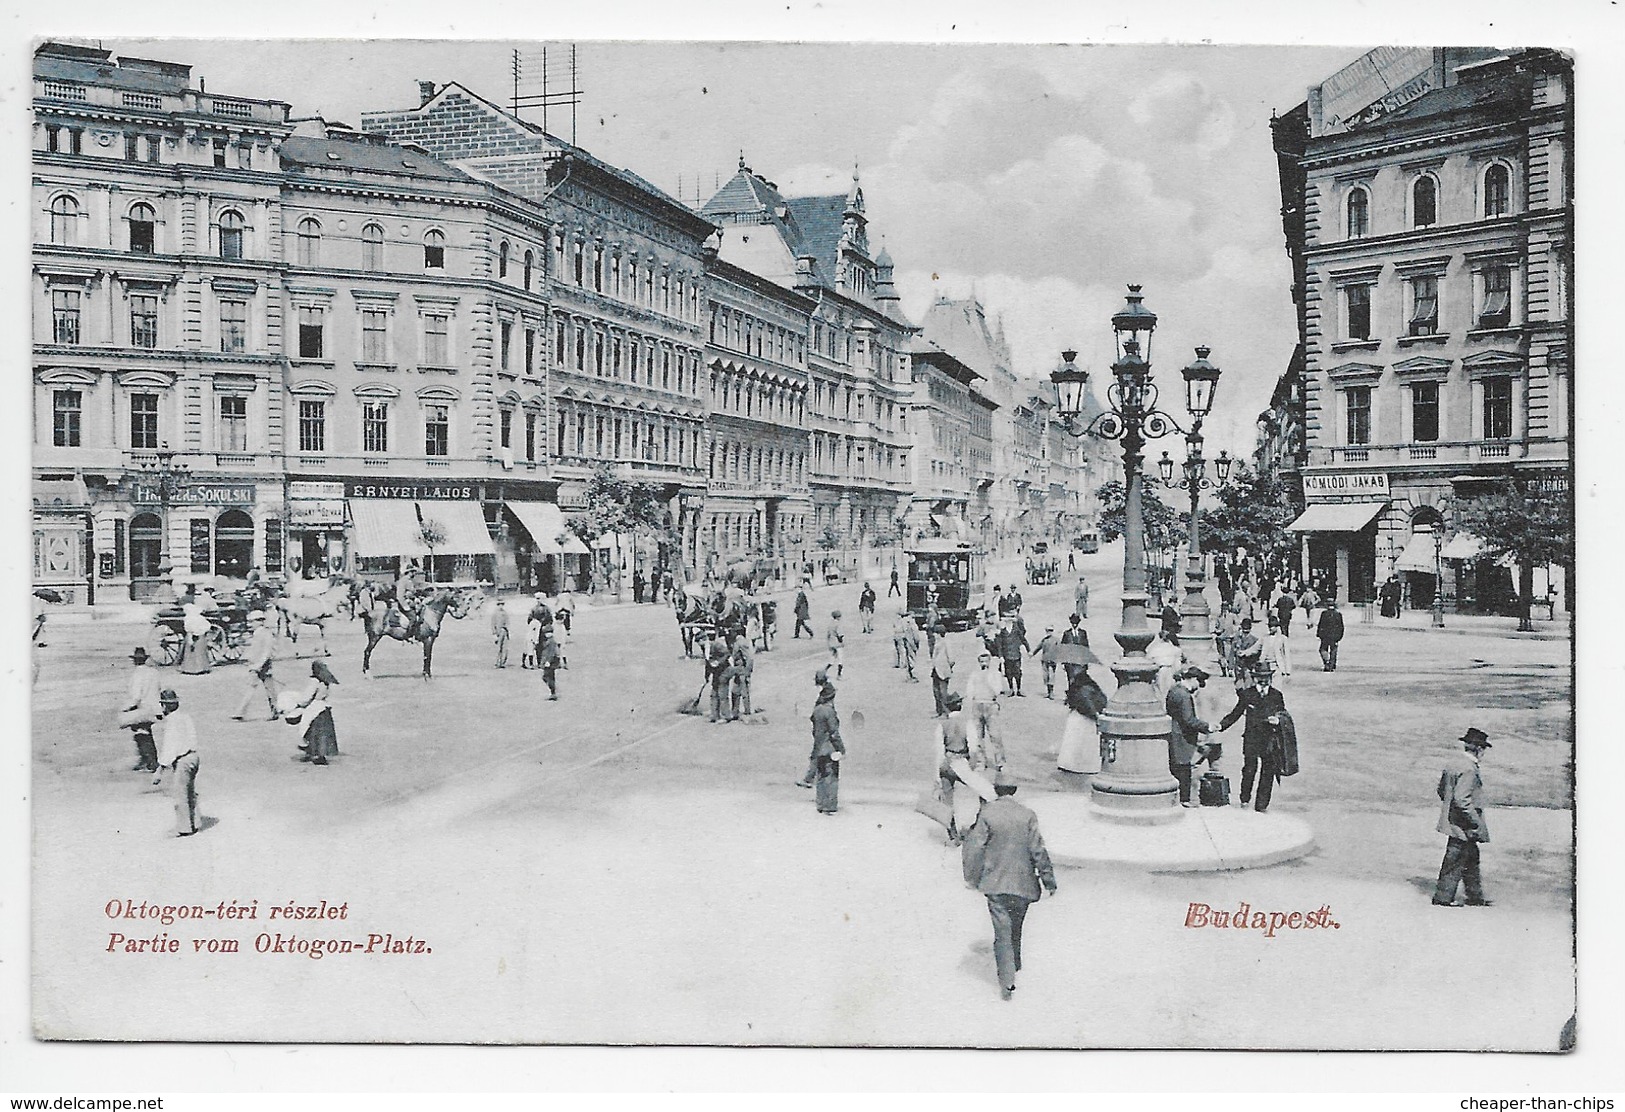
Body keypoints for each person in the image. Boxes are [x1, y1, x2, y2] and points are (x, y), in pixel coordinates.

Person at [961, 769, 1058, 1000]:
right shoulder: (1027, 815)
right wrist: (1049, 881)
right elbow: (1038, 851)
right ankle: (1015, 964)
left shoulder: (987, 814)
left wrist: (972, 878)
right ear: (1014, 791)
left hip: (995, 884)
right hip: (1024, 884)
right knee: (1017, 924)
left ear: (996, 790)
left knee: (1001, 932)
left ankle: (1007, 982)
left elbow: (974, 849)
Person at [1218, 665, 1296, 813]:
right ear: (1254, 679)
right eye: (1260, 678)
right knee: (1249, 770)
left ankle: (1261, 805)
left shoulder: (1276, 695)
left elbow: (1283, 714)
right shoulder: (1247, 695)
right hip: (1251, 739)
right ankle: (1244, 800)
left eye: (1267, 677)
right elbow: (1236, 713)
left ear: (1270, 678)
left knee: (1268, 772)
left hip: (1270, 741)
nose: (1264, 681)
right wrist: (1220, 726)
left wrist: (1278, 720)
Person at [1434, 728, 1494, 907]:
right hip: (1464, 824)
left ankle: (1475, 897)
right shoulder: (1469, 769)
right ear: (1478, 749)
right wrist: (1476, 822)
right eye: (1483, 748)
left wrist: (1450, 809)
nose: (1484, 753)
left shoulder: (1453, 763)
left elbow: (1441, 791)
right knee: (1455, 859)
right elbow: (1462, 800)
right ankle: (1443, 899)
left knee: (1470, 858)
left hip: (1455, 821)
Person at [936, 693, 996, 844]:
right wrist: (973, 767)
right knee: (986, 791)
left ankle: (953, 835)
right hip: (961, 762)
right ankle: (978, 825)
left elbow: (938, 750)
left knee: (947, 801)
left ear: (947, 708)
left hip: (946, 763)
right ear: (960, 706)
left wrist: (938, 773)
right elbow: (973, 748)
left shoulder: (942, 725)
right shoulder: (967, 723)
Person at [151, 689, 200, 837]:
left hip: (183, 760)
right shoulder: (185, 717)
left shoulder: (172, 722)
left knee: (180, 795)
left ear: (165, 706)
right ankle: (195, 822)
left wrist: (160, 770)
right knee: (190, 792)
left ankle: (184, 828)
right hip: (194, 757)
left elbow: (170, 748)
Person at [1166, 666, 1214, 808]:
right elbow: (1189, 719)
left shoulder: (1174, 690)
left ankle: (1175, 798)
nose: (1198, 687)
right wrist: (1207, 727)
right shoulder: (1185, 695)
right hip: (1183, 737)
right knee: (1185, 769)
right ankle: (1185, 800)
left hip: (1173, 733)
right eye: (1199, 683)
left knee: (1176, 767)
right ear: (1193, 679)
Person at [1057, 664, 1108, 774]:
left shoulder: (1080, 683)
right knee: (1081, 741)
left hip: (1081, 716)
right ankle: (1080, 764)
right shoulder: (1084, 682)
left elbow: (1086, 700)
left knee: (1077, 741)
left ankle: (1072, 764)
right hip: (1083, 716)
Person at [121, 646, 163, 773]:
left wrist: (125, 709)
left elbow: (136, 696)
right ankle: (148, 760)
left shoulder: (137, 675)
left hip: (143, 708)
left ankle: (150, 762)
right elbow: (158, 689)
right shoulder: (154, 672)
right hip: (155, 707)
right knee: (146, 733)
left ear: (134, 661)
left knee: (141, 734)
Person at [232, 612, 280, 721]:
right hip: (256, 665)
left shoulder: (266, 633)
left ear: (260, 621)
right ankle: (240, 712)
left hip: (262, 666)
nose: (250, 624)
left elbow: (267, 652)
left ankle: (275, 711)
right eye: (249, 621)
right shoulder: (256, 633)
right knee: (256, 688)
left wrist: (259, 665)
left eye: (252, 621)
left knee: (268, 689)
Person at [291, 661, 341, 765]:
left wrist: (298, 704)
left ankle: (313, 753)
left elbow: (307, 698)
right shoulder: (326, 682)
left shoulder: (314, 682)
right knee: (323, 735)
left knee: (311, 732)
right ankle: (321, 755)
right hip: (325, 709)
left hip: (314, 710)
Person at [964, 650, 1005, 771]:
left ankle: (1000, 762)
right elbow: (969, 690)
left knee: (995, 735)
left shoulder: (995, 674)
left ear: (989, 661)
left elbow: (997, 690)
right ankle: (981, 762)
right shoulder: (974, 674)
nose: (984, 664)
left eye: (986, 661)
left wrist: (988, 678)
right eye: (981, 661)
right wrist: (972, 699)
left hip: (990, 705)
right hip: (977, 705)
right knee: (978, 736)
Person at [810, 672, 844, 814]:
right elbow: (834, 733)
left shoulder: (817, 710)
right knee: (832, 776)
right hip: (830, 747)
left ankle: (821, 803)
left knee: (821, 776)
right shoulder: (829, 712)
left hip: (818, 747)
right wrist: (841, 749)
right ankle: (830, 805)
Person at [178, 598, 212, 675]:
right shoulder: (201, 618)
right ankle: (203, 667)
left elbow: (189, 630)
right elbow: (207, 626)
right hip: (201, 637)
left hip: (192, 636)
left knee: (191, 652)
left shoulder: (189, 619)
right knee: (201, 652)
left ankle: (191, 668)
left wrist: (190, 638)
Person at [705, 632, 733, 723]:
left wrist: (718, 662)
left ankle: (726, 716)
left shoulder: (716, 645)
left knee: (722, 694)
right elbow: (707, 663)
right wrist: (707, 676)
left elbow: (727, 653)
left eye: (700, 641)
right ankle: (714, 715)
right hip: (715, 672)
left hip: (724, 671)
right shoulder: (705, 648)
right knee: (713, 693)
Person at [1148, 628, 1186, 695]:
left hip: (1161, 669)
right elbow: (1178, 664)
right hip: (1167, 669)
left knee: (1161, 689)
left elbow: (1149, 659)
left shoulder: (1154, 648)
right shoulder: (1174, 649)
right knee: (1167, 689)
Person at [1230, 618, 1262, 691]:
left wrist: (1254, 668)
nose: (1245, 632)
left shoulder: (1254, 640)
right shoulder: (1237, 638)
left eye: (1247, 630)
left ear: (1250, 629)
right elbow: (1232, 652)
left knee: (1248, 688)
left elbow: (1257, 655)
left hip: (1248, 667)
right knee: (1238, 688)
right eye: (1244, 630)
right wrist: (1230, 666)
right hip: (1238, 667)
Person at [996, 620, 1026, 697]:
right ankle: (1011, 689)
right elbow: (999, 645)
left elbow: (1023, 639)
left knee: (1018, 672)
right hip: (1007, 656)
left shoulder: (1016, 630)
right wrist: (1001, 656)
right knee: (1008, 673)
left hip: (1016, 655)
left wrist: (1028, 650)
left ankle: (1019, 689)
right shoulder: (1002, 632)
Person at [1060, 613, 1090, 689]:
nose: (1074, 625)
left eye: (1076, 623)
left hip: (1080, 661)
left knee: (1080, 679)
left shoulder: (1083, 633)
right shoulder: (1067, 633)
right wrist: (1063, 662)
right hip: (1070, 662)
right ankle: (1071, 697)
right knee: (1071, 679)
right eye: (1073, 623)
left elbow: (1086, 647)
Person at [729, 630, 754, 719]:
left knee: (743, 692)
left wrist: (747, 671)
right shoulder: (738, 641)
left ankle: (747, 711)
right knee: (735, 691)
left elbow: (749, 658)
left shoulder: (741, 642)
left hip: (742, 670)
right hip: (738, 670)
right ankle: (735, 712)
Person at [930, 631, 955, 717]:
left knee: (943, 692)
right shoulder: (937, 643)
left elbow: (951, 659)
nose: (934, 635)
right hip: (935, 670)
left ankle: (945, 712)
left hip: (943, 670)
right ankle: (939, 711)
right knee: (936, 691)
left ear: (940, 634)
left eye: (936, 633)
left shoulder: (946, 643)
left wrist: (948, 667)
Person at [1031, 625, 1061, 698]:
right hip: (1044, 660)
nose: (1049, 632)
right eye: (1048, 630)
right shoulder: (1044, 640)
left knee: (1051, 675)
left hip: (1053, 660)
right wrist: (1032, 654)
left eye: (1051, 630)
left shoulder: (1056, 640)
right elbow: (1038, 647)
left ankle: (1051, 692)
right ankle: (1048, 692)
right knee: (1046, 676)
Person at [1317, 598, 1345, 672]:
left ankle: (1327, 662)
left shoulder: (1324, 613)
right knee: (1334, 650)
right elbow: (1341, 626)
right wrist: (1340, 636)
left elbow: (1320, 625)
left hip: (1325, 636)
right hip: (1335, 636)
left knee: (1322, 649)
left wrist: (1319, 634)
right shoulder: (1338, 614)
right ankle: (1332, 665)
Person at [1213, 605, 1238, 678]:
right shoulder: (1219, 618)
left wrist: (1233, 633)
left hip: (1228, 639)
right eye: (1223, 608)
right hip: (1220, 639)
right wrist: (1217, 631)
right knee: (1221, 655)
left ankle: (1230, 670)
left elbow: (1237, 625)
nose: (1224, 610)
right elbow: (1216, 627)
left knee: (1229, 655)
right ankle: (1223, 671)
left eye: (1226, 608)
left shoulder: (1232, 616)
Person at [897, 609, 921, 682]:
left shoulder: (904, 623)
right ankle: (912, 675)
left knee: (908, 658)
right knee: (912, 659)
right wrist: (917, 643)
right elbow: (916, 636)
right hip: (912, 643)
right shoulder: (912, 624)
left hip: (907, 642)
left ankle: (909, 675)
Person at [538, 628, 561, 701]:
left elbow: (551, 653)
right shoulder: (551, 641)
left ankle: (553, 692)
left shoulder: (551, 642)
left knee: (547, 676)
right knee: (550, 676)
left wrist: (548, 661)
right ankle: (553, 691)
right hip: (551, 662)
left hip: (550, 662)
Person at [490, 597, 510, 669]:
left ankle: (502, 662)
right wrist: (494, 634)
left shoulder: (505, 613)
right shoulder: (495, 614)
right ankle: (497, 662)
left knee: (505, 648)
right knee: (498, 648)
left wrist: (508, 633)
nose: (501, 606)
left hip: (504, 631)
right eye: (499, 604)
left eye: (502, 604)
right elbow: (493, 624)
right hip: (498, 632)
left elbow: (507, 623)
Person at [826, 609, 845, 679]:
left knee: (832, 659)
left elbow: (828, 634)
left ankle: (824, 671)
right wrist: (842, 642)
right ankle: (839, 675)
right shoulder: (838, 624)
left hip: (831, 642)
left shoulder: (830, 624)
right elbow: (840, 634)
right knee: (840, 659)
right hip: (837, 643)